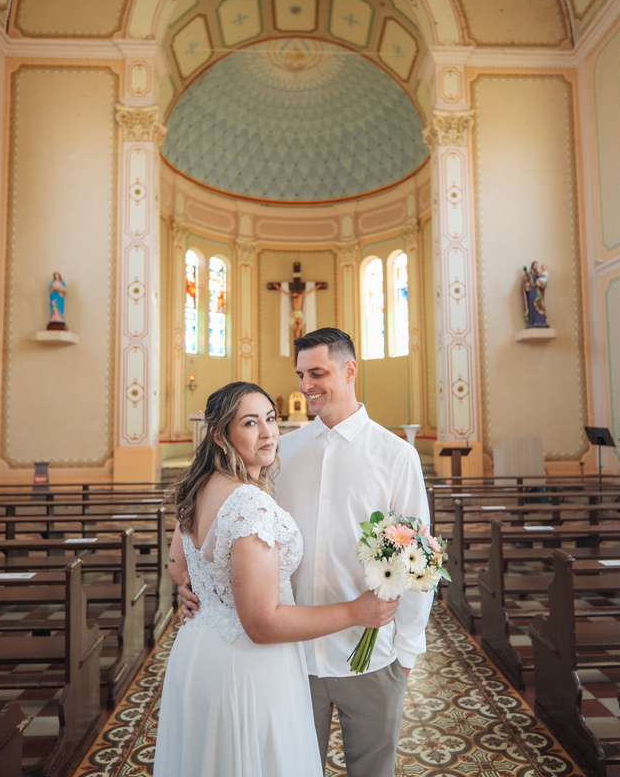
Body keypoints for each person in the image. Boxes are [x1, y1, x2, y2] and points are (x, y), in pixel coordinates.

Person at [155, 381, 399, 777]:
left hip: (198, 652)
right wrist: (357, 611)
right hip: (247, 668)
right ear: (221, 435)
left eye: (270, 418)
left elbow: (175, 564)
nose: (269, 432)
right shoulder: (250, 503)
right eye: (250, 423)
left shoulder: (199, 488)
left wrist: (195, 588)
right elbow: (262, 624)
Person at [276, 327, 434, 777]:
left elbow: (417, 563)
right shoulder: (284, 452)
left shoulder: (396, 456)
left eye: (318, 372)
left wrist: (406, 652)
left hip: (371, 658)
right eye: (302, 374)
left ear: (349, 371)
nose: (306, 385)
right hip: (294, 656)